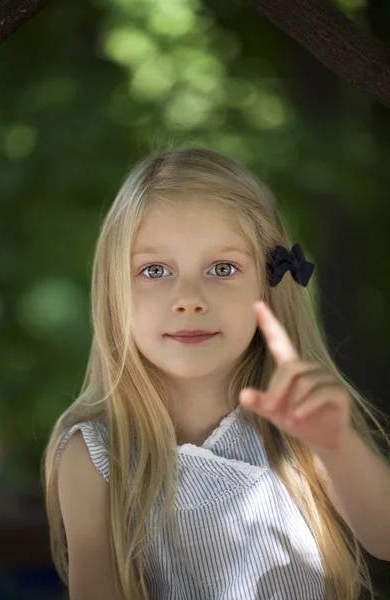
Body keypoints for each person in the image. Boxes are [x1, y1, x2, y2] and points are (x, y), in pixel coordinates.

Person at [41, 146, 390, 600]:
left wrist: (338, 445)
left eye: (222, 268)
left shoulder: (302, 423)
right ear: (113, 293)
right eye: (155, 270)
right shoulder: (95, 456)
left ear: (268, 280)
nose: (189, 298)